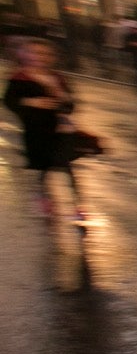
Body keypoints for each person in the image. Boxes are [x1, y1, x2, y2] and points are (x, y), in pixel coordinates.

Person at [4, 37, 88, 219]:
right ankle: (45, 197)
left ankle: (77, 206)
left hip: (62, 130)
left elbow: (70, 106)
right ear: (25, 55)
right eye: (35, 52)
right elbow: (10, 101)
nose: (40, 57)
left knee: (64, 165)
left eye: (45, 53)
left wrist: (63, 98)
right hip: (36, 132)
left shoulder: (57, 78)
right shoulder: (19, 78)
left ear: (52, 57)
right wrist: (31, 101)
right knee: (47, 168)